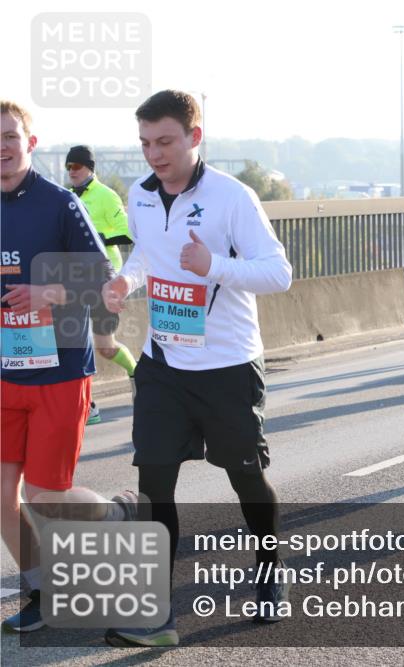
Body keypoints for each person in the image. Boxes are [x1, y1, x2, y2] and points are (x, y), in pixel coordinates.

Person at [101, 90, 294, 645]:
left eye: (165, 141)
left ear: (194, 137)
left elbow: (278, 274)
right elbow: (145, 253)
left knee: (246, 478)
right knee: (154, 484)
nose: (154, 155)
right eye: (145, 144)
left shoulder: (233, 198)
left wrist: (215, 266)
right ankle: (157, 612)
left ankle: (268, 574)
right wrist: (126, 281)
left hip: (227, 366)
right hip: (163, 363)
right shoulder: (138, 196)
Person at [1, 100, 137, 634]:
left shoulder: (60, 204)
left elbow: (101, 284)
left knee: (44, 493)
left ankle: (118, 516)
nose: (4, 148)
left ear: (30, 143)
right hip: (6, 372)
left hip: (58, 370)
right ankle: (40, 590)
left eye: (12, 136)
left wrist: (46, 292)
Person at [64, 145, 137, 424]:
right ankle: (88, 405)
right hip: (74, 279)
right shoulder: (66, 198)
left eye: (77, 166)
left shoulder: (107, 196)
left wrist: (96, 238)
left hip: (106, 277)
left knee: (105, 347)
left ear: (90, 168)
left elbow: (128, 233)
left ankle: (138, 374)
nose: (72, 171)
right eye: (68, 167)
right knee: (72, 340)